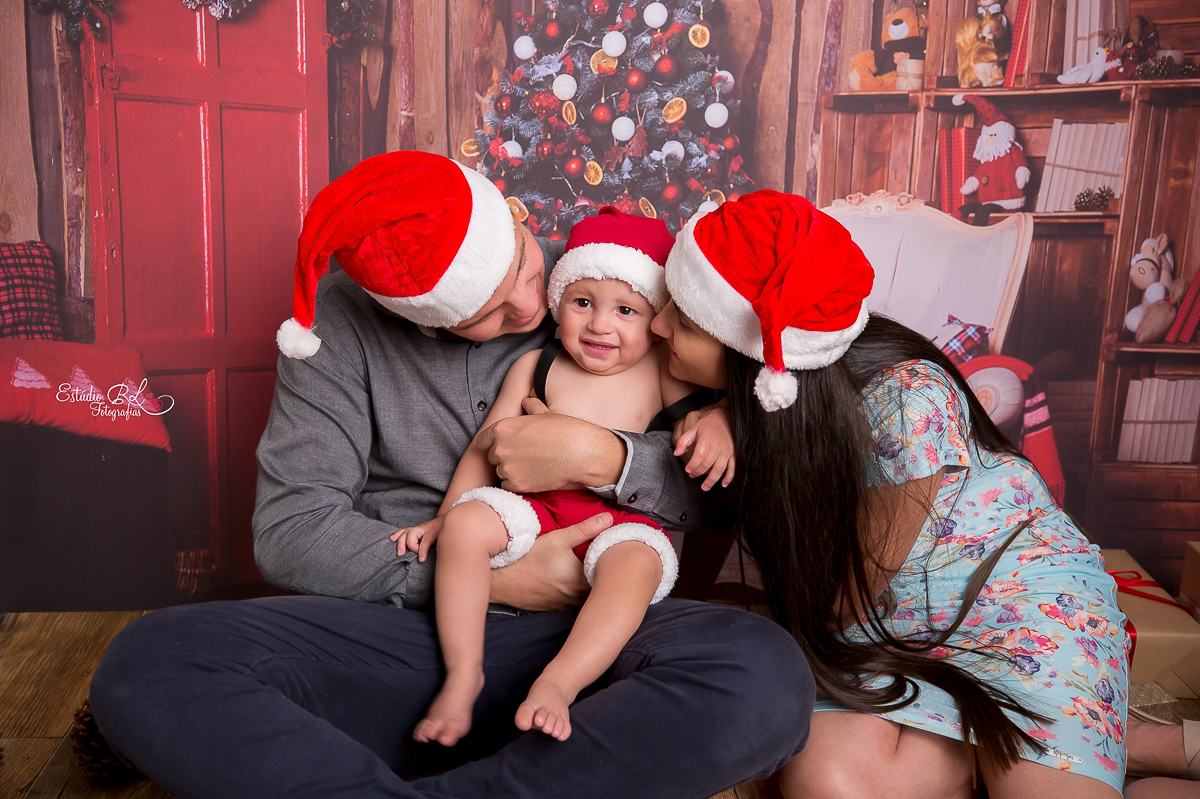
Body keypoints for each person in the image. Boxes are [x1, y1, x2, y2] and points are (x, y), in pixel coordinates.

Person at [86, 153, 814, 799]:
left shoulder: (599, 280)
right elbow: (290, 530)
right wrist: (488, 576)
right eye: (494, 312)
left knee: (765, 672)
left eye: (529, 268)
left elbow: (727, 488)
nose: (535, 308)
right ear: (422, 319)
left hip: (591, 644)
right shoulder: (340, 325)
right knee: (147, 661)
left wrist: (607, 457)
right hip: (403, 642)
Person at [648, 189, 1193, 798]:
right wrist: (726, 412)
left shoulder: (906, 396)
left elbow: (849, 595)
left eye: (686, 321)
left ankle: (1142, 749)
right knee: (830, 787)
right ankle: (1105, 745)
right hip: (883, 629)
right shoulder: (744, 394)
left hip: (1004, 600)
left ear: (752, 355)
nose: (655, 324)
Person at [398, 207, 734, 747]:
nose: (600, 325)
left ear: (655, 320)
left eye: (626, 310)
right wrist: (446, 516)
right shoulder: (536, 366)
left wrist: (718, 421)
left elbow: (702, 418)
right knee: (464, 528)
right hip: (535, 506)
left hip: (620, 518)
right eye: (583, 303)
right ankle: (464, 672)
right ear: (559, 305)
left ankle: (560, 681)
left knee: (638, 565)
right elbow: (489, 444)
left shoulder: (662, 372)